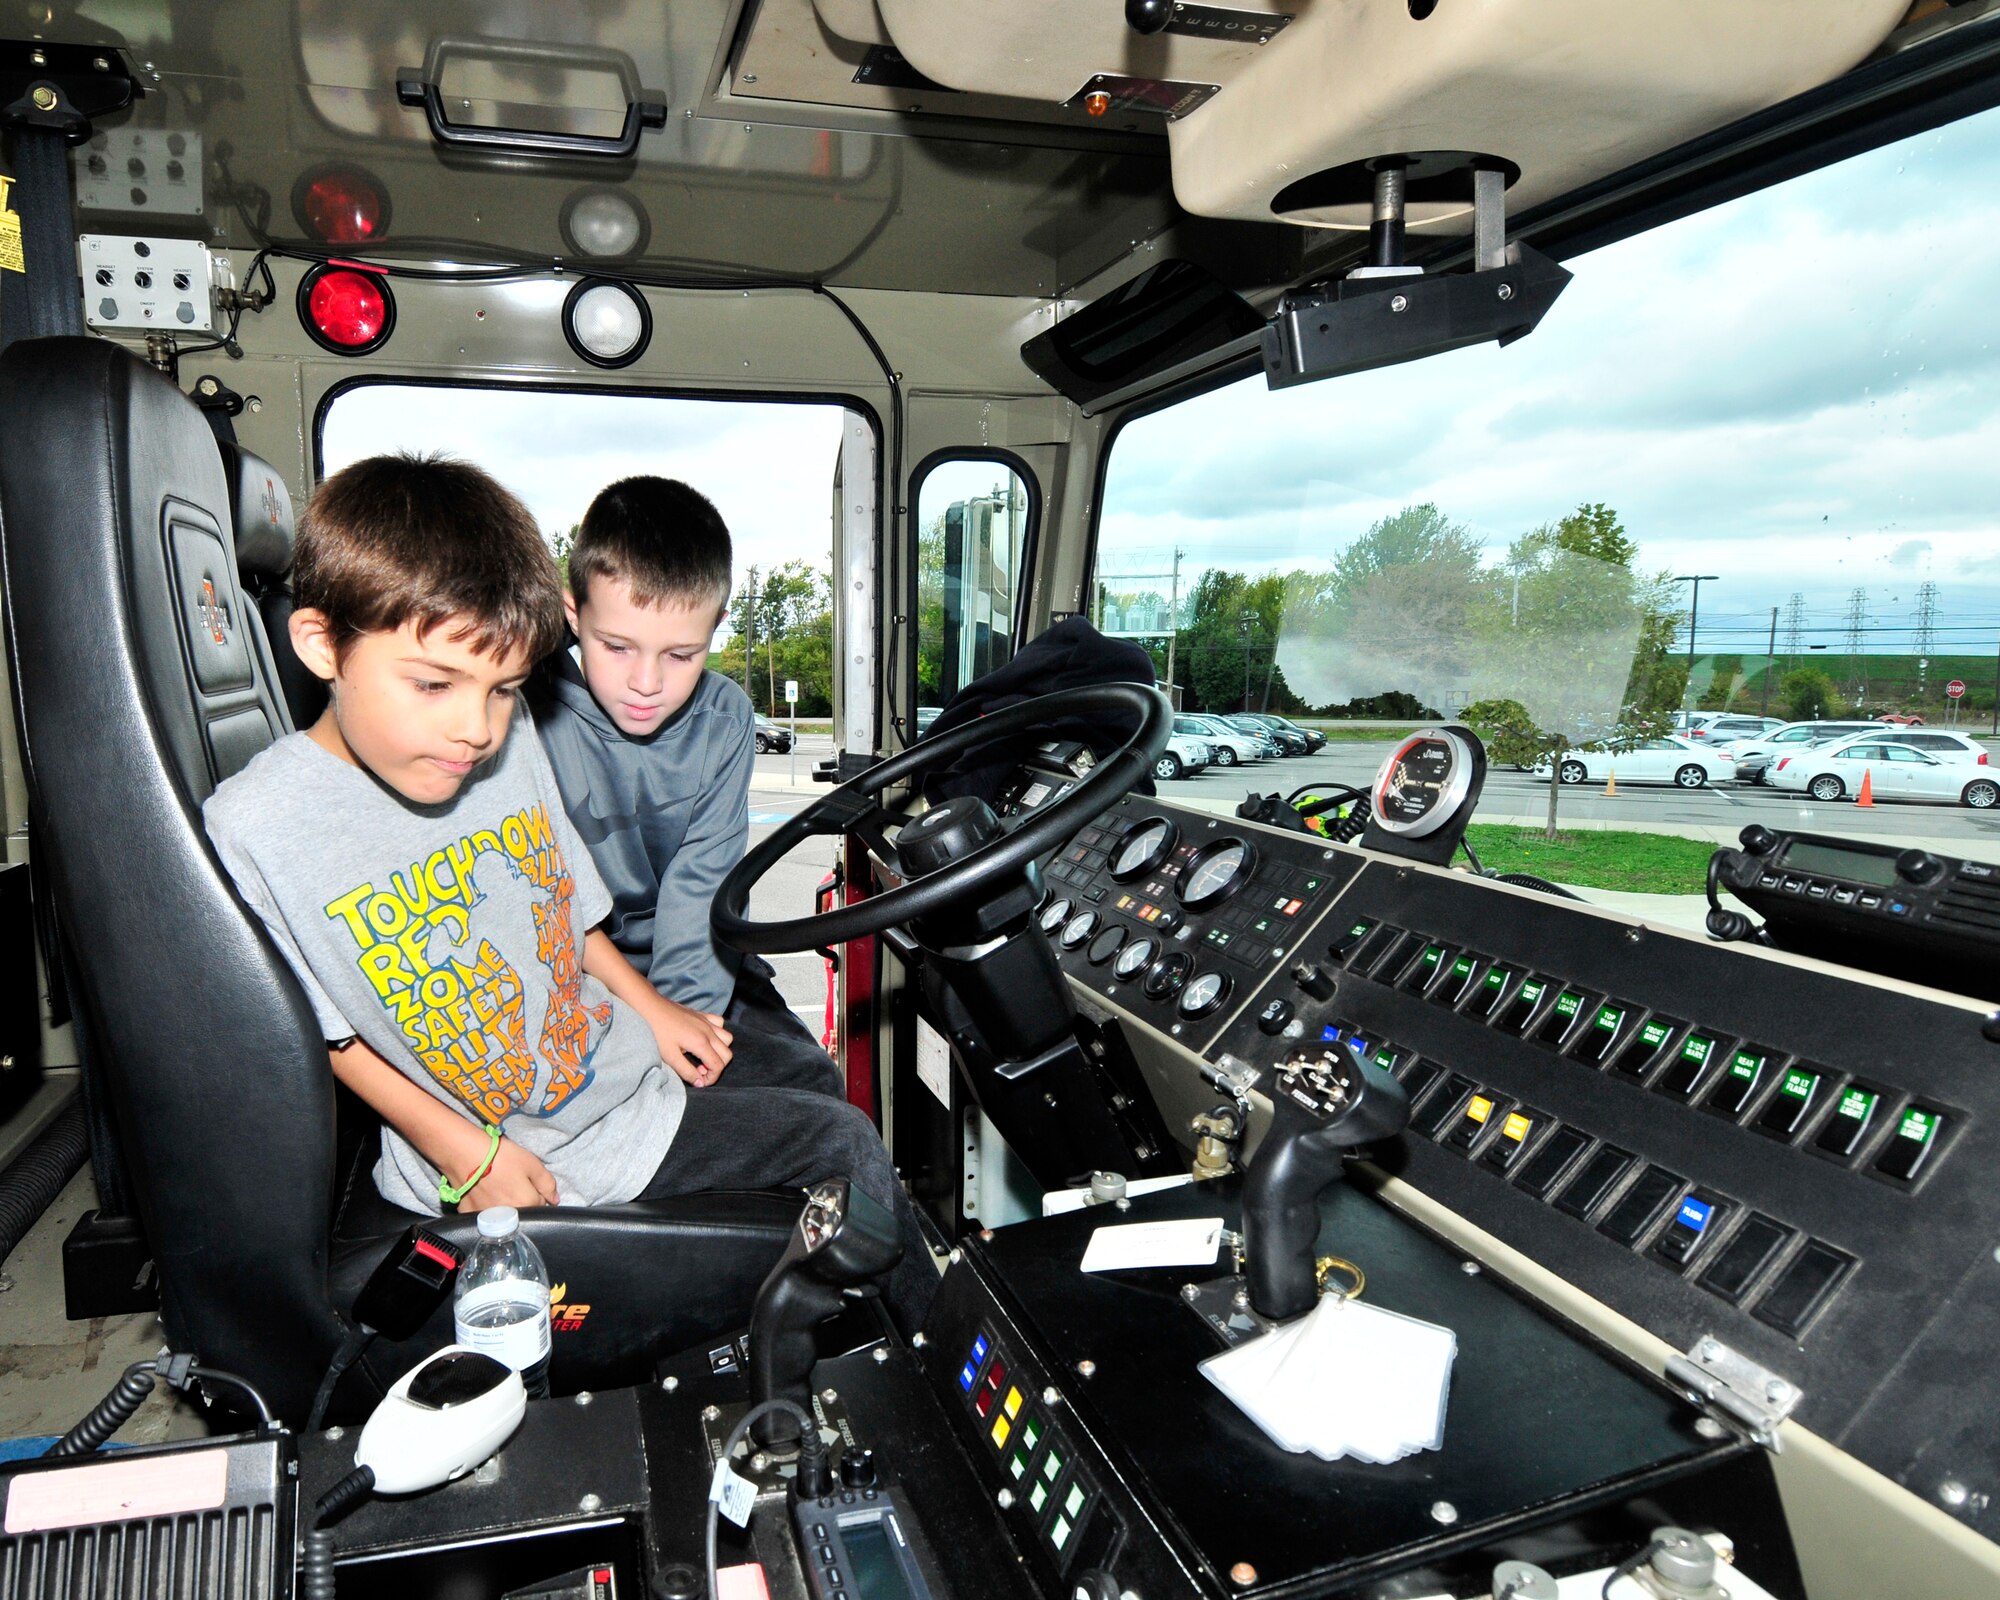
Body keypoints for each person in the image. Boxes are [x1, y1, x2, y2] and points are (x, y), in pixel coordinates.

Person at [202, 454, 935, 1334]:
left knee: (815, 1084)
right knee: (843, 1143)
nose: (475, 725)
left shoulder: (503, 748)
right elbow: (322, 1034)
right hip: (539, 1138)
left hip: (602, 1059)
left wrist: (656, 1010)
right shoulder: (256, 826)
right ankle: (942, 1355)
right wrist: (464, 1154)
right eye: (435, 684)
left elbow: (568, 915)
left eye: (504, 689)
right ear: (322, 645)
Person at [530, 475, 843, 1098]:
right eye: (616, 646)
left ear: (716, 628)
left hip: (695, 964)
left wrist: (685, 1028)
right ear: (573, 613)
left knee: (814, 1088)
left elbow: (700, 891)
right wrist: (646, 1029)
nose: (646, 682)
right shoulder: (520, 709)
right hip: (562, 973)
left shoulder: (724, 720)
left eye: (680, 655)